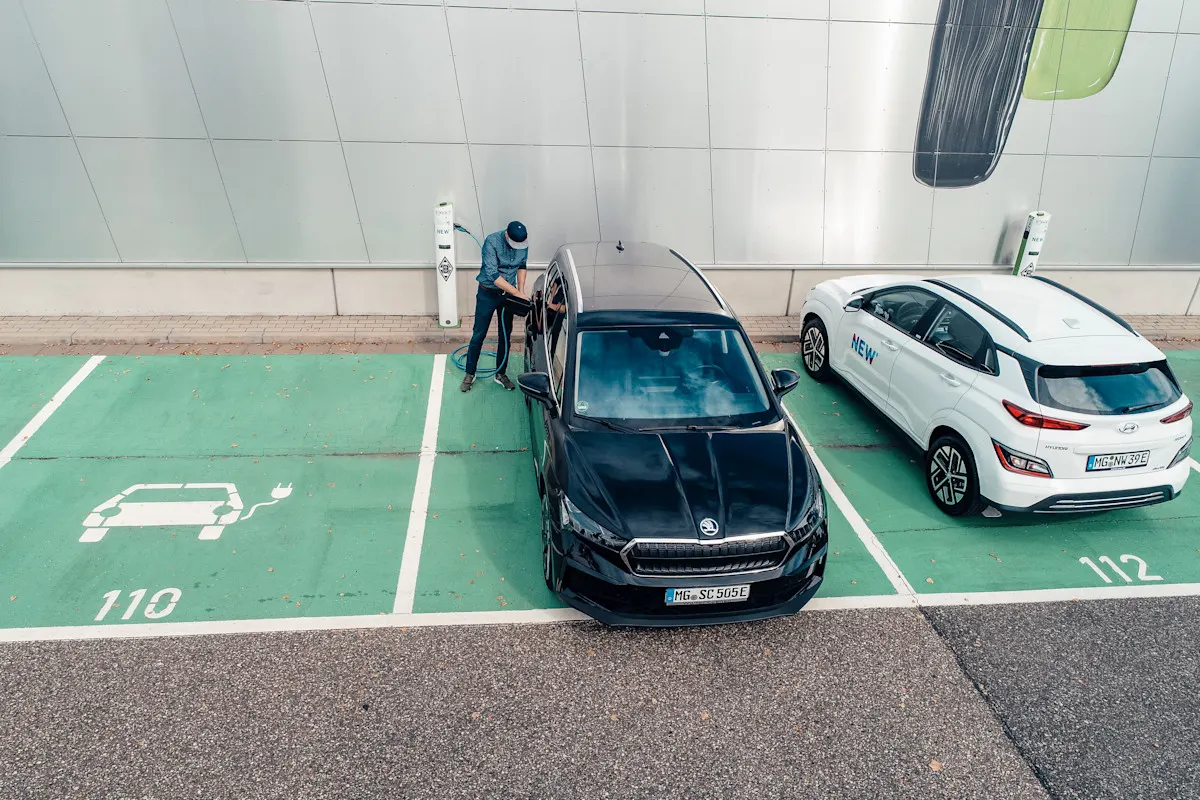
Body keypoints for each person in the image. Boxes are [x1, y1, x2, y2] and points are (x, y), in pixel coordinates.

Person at [461, 221, 528, 392]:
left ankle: (500, 374)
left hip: (508, 296)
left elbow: (522, 266)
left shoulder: (522, 242)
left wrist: (520, 291)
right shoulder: (491, 242)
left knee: (505, 335)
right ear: (506, 235)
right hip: (487, 294)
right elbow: (493, 275)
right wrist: (517, 293)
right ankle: (470, 373)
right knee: (479, 334)